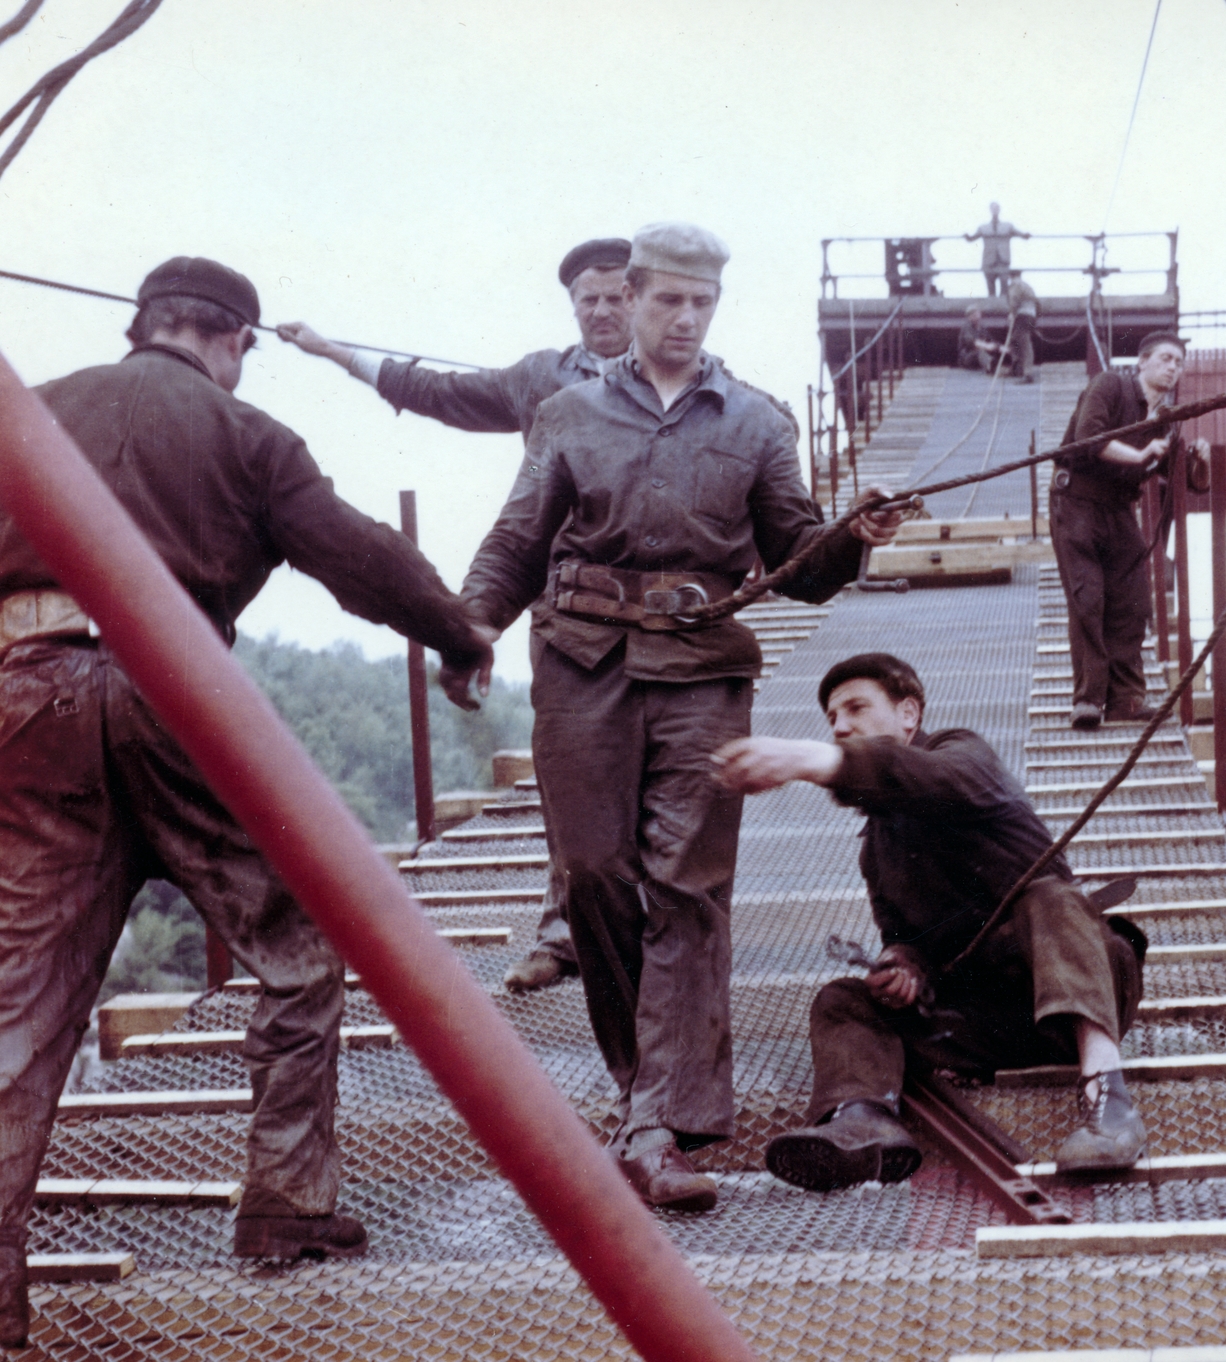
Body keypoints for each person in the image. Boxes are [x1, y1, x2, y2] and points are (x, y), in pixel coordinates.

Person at [0, 257, 495, 1347]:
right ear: (234, 342)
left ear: (142, 328)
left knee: (18, 1007)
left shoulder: (28, 415)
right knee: (297, 940)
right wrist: (460, 635)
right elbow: (358, 558)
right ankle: (285, 1207)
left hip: (22, 691)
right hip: (171, 683)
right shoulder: (247, 434)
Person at [443, 223, 904, 1215]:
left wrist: (848, 539)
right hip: (579, 659)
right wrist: (470, 627)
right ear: (633, 297)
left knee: (687, 888)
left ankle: (663, 1124)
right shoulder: (566, 414)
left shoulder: (756, 423)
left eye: (702, 304)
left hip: (701, 667)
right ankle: (642, 1091)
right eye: (668, 301)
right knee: (599, 879)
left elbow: (797, 563)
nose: (685, 319)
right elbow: (519, 537)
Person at [279, 236, 636, 994]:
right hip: (570, 602)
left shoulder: (679, 377)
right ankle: (566, 934)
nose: (603, 311)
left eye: (617, 295)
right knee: (567, 772)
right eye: (589, 300)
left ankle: (655, 942)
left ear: (644, 296)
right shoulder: (542, 376)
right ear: (574, 308)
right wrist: (331, 352)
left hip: (664, 606)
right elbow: (439, 393)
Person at [713, 652, 1147, 1191]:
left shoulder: (963, 753)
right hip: (990, 1025)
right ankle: (862, 1120)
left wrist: (813, 759)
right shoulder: (876, 848)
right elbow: (904, 939)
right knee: (842, 999)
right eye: (831, 718)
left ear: (909, 714)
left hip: (1078, 992)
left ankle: (1110, 1100)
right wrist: (904, 968)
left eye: (855, 708)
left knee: (1049, 898)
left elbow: (930, 778)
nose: (840, 725)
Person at [1049, 332, 1209, 729]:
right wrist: (1140, 454)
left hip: (1119, 508)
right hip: (1079, 501)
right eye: (1166, 359)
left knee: (1134, 601)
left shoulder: (1167, 423)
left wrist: (1200, 461)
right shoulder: (1109, 386)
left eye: (1179, 362)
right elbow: (1089, 437)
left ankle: (1125, 702)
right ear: (1142, 362)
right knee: (1089, 598)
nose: (1173, 367)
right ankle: (1088, 700)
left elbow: (1192, 482)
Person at [965, 202, 1031, 297]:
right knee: (991, 290)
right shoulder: (983, 228)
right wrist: (967, 236)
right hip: (988, 261)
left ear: (999, 210)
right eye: (993, 208)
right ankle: (992, 309)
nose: (995, 210)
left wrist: (1025, 235)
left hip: (1003, 261)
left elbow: (1021, 235)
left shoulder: (1008, 226)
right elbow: (972, 238)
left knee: (1004, 287)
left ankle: (1003, 308)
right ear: (990, 210)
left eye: (997, 208)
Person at [1004, 272, 1040, 383]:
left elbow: (1014, 299)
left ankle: (1027, 373)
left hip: (1022, 315)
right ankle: (1017, 367)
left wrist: (1012, 313)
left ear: (1010, 276)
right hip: (1030, 315)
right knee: (1014, 339)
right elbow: (1037, 303)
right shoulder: (1027, 286)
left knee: (1024, 343)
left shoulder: (1016, 285)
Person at [955, 305, 999, 373]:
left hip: (979, 359)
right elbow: (971, 341)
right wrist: (986, 346)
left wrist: (999, 347)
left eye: (977, 314)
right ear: (969, 317)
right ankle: (989, 365)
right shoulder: (966, 327)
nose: (977, 317)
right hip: (967, 357)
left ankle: (992, 363)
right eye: (974, 315)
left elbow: (991, 340)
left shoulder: (982, 328)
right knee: (980, 351)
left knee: (992, 350)